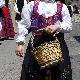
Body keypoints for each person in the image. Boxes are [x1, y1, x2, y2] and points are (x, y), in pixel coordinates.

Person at [15, 0, 72, 80]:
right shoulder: (32, 5)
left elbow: (68, 26)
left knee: (59, 72)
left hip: (57, 45)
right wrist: (20, 43)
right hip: (37, 45)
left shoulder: (62, 7)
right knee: (34, 72)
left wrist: (57, 26)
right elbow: (24, 25)